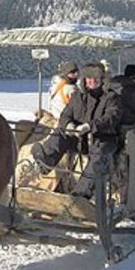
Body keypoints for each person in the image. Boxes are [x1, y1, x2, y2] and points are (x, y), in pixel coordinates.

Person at [32, 63, 123, 198]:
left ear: (102, 79)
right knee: (60, 133)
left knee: (99, 155)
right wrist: (68, 125)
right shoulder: (78, 96)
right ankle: (46, 160)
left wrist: (90, 126)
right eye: (89, 78)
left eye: (96, 78)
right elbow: (65, 114)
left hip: (103, 139)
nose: (92, 82)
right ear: (84, 80)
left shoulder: (111, 98)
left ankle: (81, 193)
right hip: (80, 138)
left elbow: (111, 118)